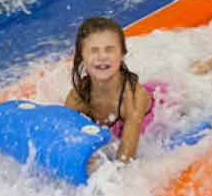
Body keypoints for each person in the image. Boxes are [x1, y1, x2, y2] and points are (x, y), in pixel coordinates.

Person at [63, 17, 154, 162]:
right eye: (93, 51)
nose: (102, 57)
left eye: (109, 49)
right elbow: (65, 139)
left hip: (161, 109)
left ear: (122, 54)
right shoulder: (78, 97)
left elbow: (125, 160)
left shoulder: (133, 97)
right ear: (82, 57)